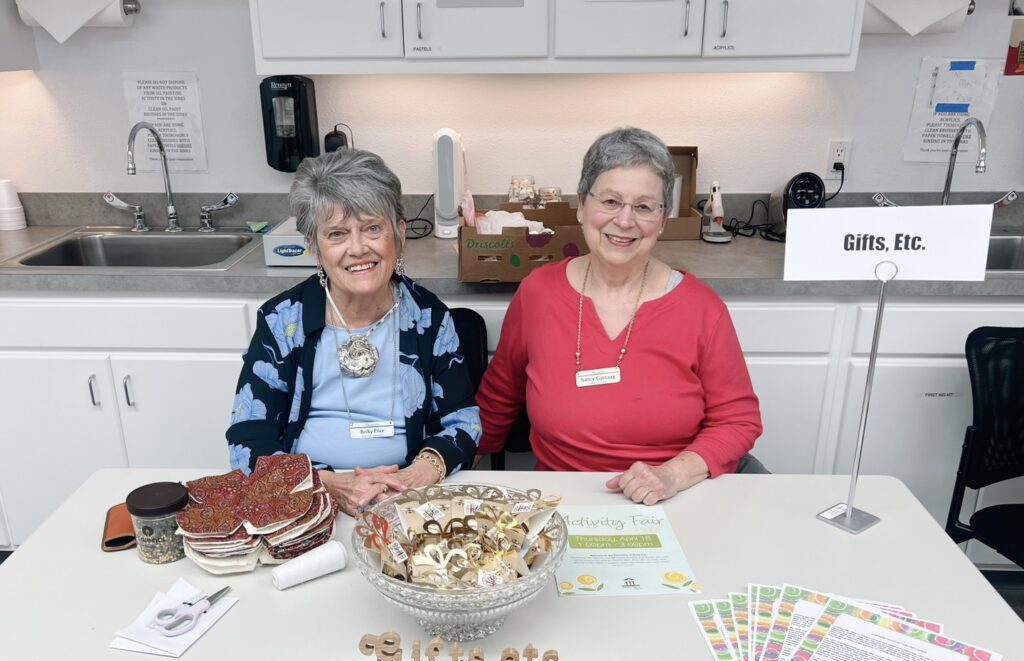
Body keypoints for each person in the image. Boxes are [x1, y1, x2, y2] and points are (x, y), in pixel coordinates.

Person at [476, 127, 763, 505]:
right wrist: (440, 475)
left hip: (675, 499)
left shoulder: (702, 309)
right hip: (565, 501)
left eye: (644, 207)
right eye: (610, 201)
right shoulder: (537, 294)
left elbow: (738, 420)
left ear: (663, 220)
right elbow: (497, 401)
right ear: (581, 205)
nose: (625, 221)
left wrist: (671, 475)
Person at [226, 149, 481, 514]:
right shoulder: (283, 321)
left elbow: (464, 423)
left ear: (400, 233)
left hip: (407, 501)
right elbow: (247, 441)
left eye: (373, 228)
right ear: (314, 246)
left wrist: (411, 478)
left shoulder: (429, 317)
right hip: (306, 502)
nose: (358, 248)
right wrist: (328, 485)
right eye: (337, 234)